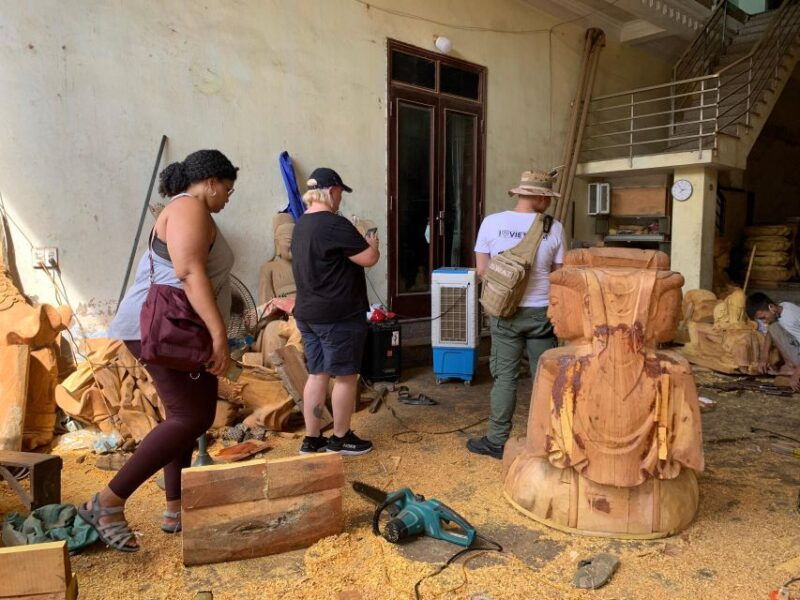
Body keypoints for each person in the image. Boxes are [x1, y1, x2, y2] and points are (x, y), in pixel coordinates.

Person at [80, 149, 238, 551]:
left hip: (169, 326)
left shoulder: (187, 210)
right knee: (192, 415)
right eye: (228, 189)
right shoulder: (189, 208)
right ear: (211, 182)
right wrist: (219, 335)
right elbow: (187, 271)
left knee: (185, 415)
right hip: (164, 328)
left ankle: (175, 508)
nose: (228, 198)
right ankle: (107, 502)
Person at [467, 169, 564, 459]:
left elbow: (483, 271)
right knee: (544, 377)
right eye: (547, 197)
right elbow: (560, 277)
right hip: (541, 313)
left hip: (505, 312)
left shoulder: (491, 223)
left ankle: (497, 441)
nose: (549, 202)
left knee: (505, 378)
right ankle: (546, 439)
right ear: (540, 197)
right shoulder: (554, 227)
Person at [291, 167, 379, 456]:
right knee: (345, 376)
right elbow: (368, 259)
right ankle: (341, 437)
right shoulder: (334, 224)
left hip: (308, 314)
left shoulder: (301, 224)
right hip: (338, 315)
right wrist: (373, 244)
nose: (341, 198)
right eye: (340, 192)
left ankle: (312, 439)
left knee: (318, 374)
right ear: (330, 191)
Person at [746, 292, 800, 391]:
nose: (764, 321)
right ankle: (790, 366)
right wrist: (764, 356)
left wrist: (796, 375)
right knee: (773, 326)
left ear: (771, 307)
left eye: (763, 317)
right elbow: (771, 330)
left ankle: (792, 368)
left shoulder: (788, 320)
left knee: (782, 382)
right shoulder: (783, 306)